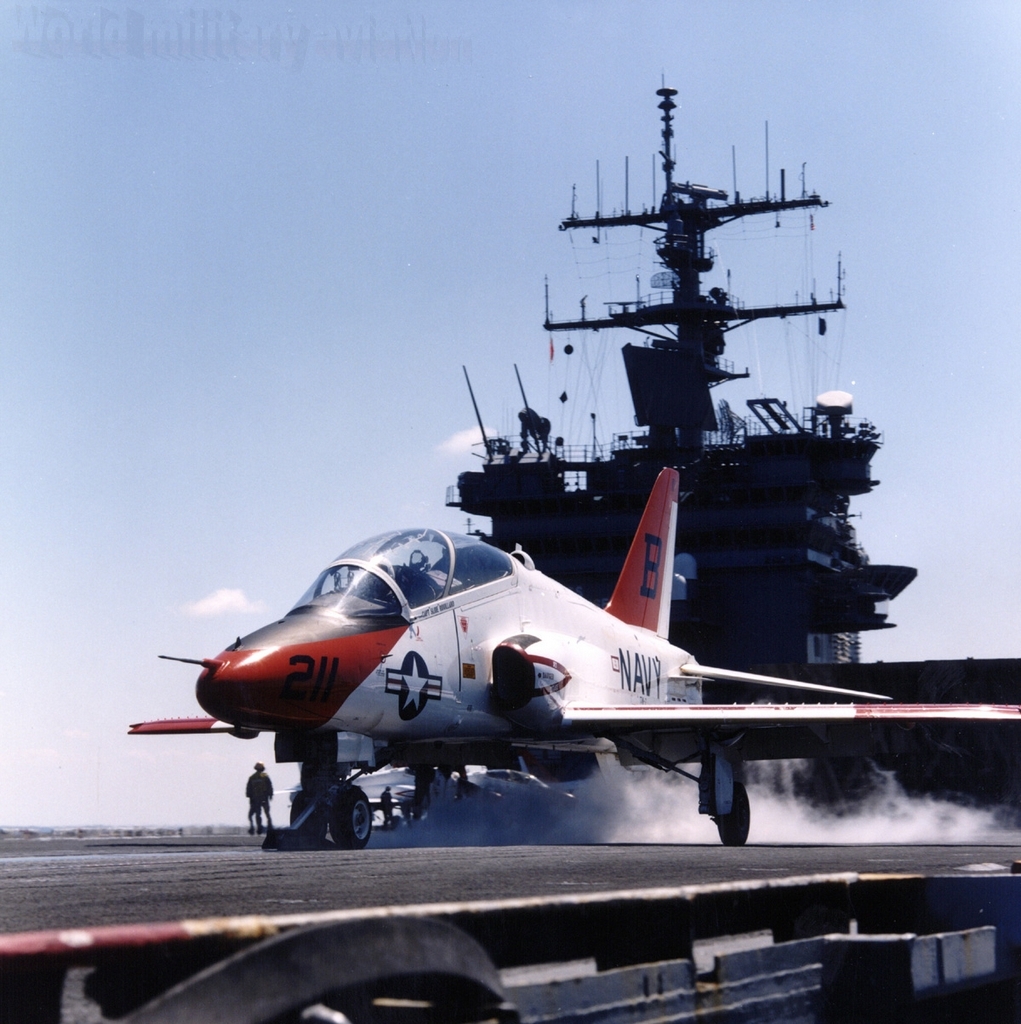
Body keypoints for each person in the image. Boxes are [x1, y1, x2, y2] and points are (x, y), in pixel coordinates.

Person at [246, 762, 273, 835]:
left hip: (255, 799)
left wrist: (250, 798)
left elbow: (249, 789)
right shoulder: (265, 776)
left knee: (258, 814)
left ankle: (259, 828)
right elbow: (269, 786)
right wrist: (270, 795)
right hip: (264, 798)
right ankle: (270, 827)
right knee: (267, 814)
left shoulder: (252, 777)